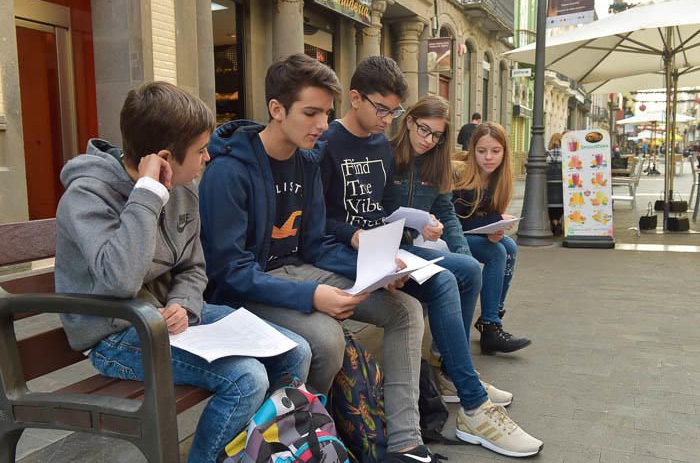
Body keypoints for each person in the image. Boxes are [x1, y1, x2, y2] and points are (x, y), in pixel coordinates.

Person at [54, 81, 312, 463]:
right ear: (163, 157)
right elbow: (118, 279)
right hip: (115, 332)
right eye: (200, 150)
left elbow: (194, 266)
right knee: (246, 380)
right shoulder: (87, 195)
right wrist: (147, 193)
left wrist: (183, 304)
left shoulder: (184, 189)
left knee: (296, 352)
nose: (208, 158)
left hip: (172, 322)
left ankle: (257, 455)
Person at [197, 54, 435, 462]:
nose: (323, 125)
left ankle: (404, 443)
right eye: (311, 112)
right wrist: (312, 297)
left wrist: (374, 270)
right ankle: (308, 444)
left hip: (300, 270)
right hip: (245, 287)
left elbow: (318, 245)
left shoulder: (308, 161)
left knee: (406, 309)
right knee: (325, 340)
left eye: (325, 112)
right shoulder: (228, 171)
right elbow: (229, 273)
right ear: (276, 109)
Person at [319, 60, 543, 458]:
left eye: (393, 112)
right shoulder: (333, 146)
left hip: (387, 247)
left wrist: (415, 234)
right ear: (354, 99)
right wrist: (367, 238)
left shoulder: (379, 146)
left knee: (467, 266)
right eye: (385, 111)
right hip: (355, 253)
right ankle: (470, 396)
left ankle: (458, 381)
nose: (388, 119)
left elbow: (389, 212)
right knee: (443, 281)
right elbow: (324, 222)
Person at [453, 122, 532, 357]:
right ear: (472, 149)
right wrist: (492, 223)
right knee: (497, 251)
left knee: (508, 246)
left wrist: (496, 229)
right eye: (481, 151)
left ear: (504, 152)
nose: (488, 157)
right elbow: (453, 222)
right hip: (448, 238)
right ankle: (490, 326)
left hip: (469, 235)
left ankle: (492, 317)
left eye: (495, 151)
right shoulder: (459, 172)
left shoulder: (500, 178)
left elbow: (483, 220)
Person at [546, 132, 564, 235]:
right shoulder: (566, 153)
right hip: (562, 184)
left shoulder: (547, 154)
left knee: (550, 204)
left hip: (550, 185)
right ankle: (558, 223)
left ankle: (554, 223)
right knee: (561, 204)